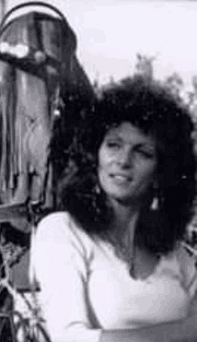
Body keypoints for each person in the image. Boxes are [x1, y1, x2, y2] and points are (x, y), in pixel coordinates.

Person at [32, 76, 197, 342]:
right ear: (94, 153)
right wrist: (183, 333)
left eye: (142, 152)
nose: (123, 161)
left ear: (161, 173)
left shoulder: (174, 253)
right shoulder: (62, 230)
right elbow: (69, 337)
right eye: (113, 145)